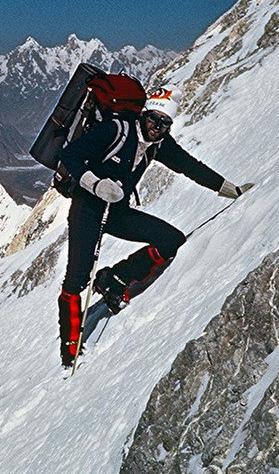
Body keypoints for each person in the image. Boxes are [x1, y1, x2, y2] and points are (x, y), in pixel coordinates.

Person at [55, 86, 250, 367]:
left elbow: (188, 166)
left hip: (117, 211)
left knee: (170, 239)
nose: (157, 128)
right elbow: (69, 156)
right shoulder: (115, 130)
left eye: (165, 124)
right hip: (87, 209)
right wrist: (95, 184)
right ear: (144, 115)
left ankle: (114, 279)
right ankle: (69, 351)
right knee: (76, 280)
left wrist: (227, 188)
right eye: (153, 120)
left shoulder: (159, 143)